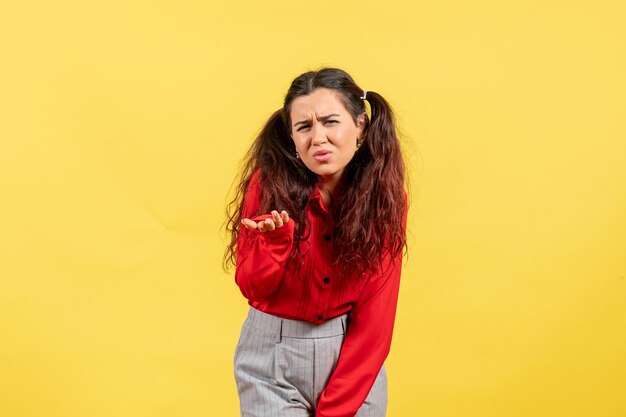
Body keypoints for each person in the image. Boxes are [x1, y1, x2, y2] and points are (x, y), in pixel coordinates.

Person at [224, 67, 408, 417]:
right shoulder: (268, 186)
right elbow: (253, 288)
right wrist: (275, 244)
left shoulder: (386, 197)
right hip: (272, 360)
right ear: (291, 138)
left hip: (353, 359)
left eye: (330, 122)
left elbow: (376, 318)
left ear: (360, 127)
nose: (318, 138)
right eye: (304, 127)